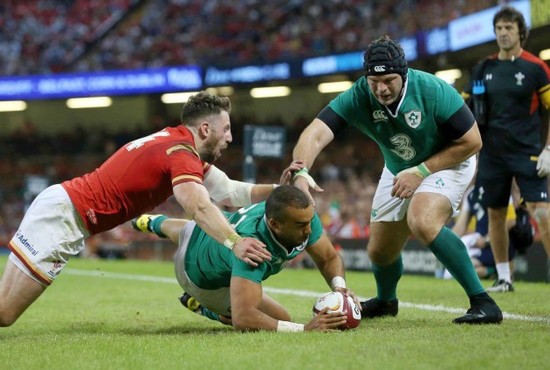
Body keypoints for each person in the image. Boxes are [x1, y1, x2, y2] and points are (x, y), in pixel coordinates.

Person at [0, 91, 301, 327]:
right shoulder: (181, 153)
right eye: (226, 130)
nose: (230, 138)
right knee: (5, 314)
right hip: (64, 219)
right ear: (206, 129)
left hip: (62, 207)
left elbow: (231, 192)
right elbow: (196, 204)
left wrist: (281, 191)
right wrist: (235, 242)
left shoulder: (178, 145)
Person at [290, 35, 503, 324]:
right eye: (373, 81)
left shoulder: (433, 91)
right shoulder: (358, 95)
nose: (381, 88)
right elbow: (315, 133)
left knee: (422, 220)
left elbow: (472, 141)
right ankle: (387, 301)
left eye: (389, 80)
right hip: (399, 166)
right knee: (379, 251)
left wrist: (422, 172)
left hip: (449, 160)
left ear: (403, 74)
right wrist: (301, 170)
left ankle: (483, 302)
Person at [133, 185, 359, 332]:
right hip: (196, 277)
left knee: (186, 230)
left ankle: (153, 222)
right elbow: (244, 317)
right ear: (275, 225)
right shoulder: (253, 249)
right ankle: (202, 306)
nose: (309, 230)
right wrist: (303, 329)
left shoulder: (296, 213)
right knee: (281, 318)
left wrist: (340, 288)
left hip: (209, 226)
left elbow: (329, 258)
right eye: (301, 225)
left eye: (310, 221)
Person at [463, 6, 550, 292]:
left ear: (520, 32)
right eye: (499, 27)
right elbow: (463, 110)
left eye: (508, 28)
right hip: (492, 154)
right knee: (495, 215)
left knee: (542, 213)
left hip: (528, 152)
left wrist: (548, 149)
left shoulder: (537, 68)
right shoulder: (482, 69)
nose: (503, 32)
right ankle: (504, 278)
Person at [443, 183, 533, 280]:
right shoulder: (471, 193)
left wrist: (487, 239)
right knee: (452, 271)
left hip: (497, 244)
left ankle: (492, 271)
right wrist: (444, 243)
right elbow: (461, 226)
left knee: (460, 270)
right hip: (478, 245)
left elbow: (511, 221)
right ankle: (491, 271)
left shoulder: (500, 188)